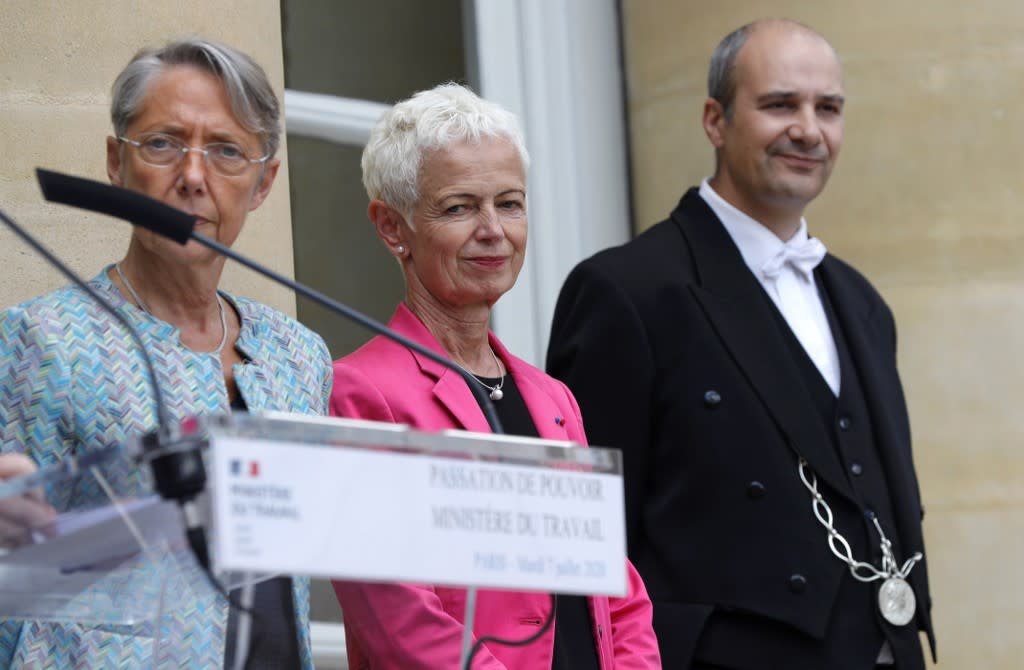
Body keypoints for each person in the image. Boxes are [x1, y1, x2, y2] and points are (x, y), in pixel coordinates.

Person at [547, 19, 935, 670]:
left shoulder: (863, 302)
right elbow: (586, 545)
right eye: (780, 104)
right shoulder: (627, 291)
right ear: (714, 120)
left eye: (828, 108)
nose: (809, 130)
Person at [0, 38, 332, 668]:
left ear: (264, 183)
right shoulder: (42, 342)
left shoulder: (299, 355)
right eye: (162, 143)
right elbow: (12, 591)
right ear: (114, 163)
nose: (193, 177)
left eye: (227, 151)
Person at [329, 83, 661, 669]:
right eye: (459, 207)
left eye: (509, 203)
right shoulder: (358, 392)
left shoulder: (552, 396)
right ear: (392, 227)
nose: (493, 230)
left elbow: (618, 591)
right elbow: (395, 616)